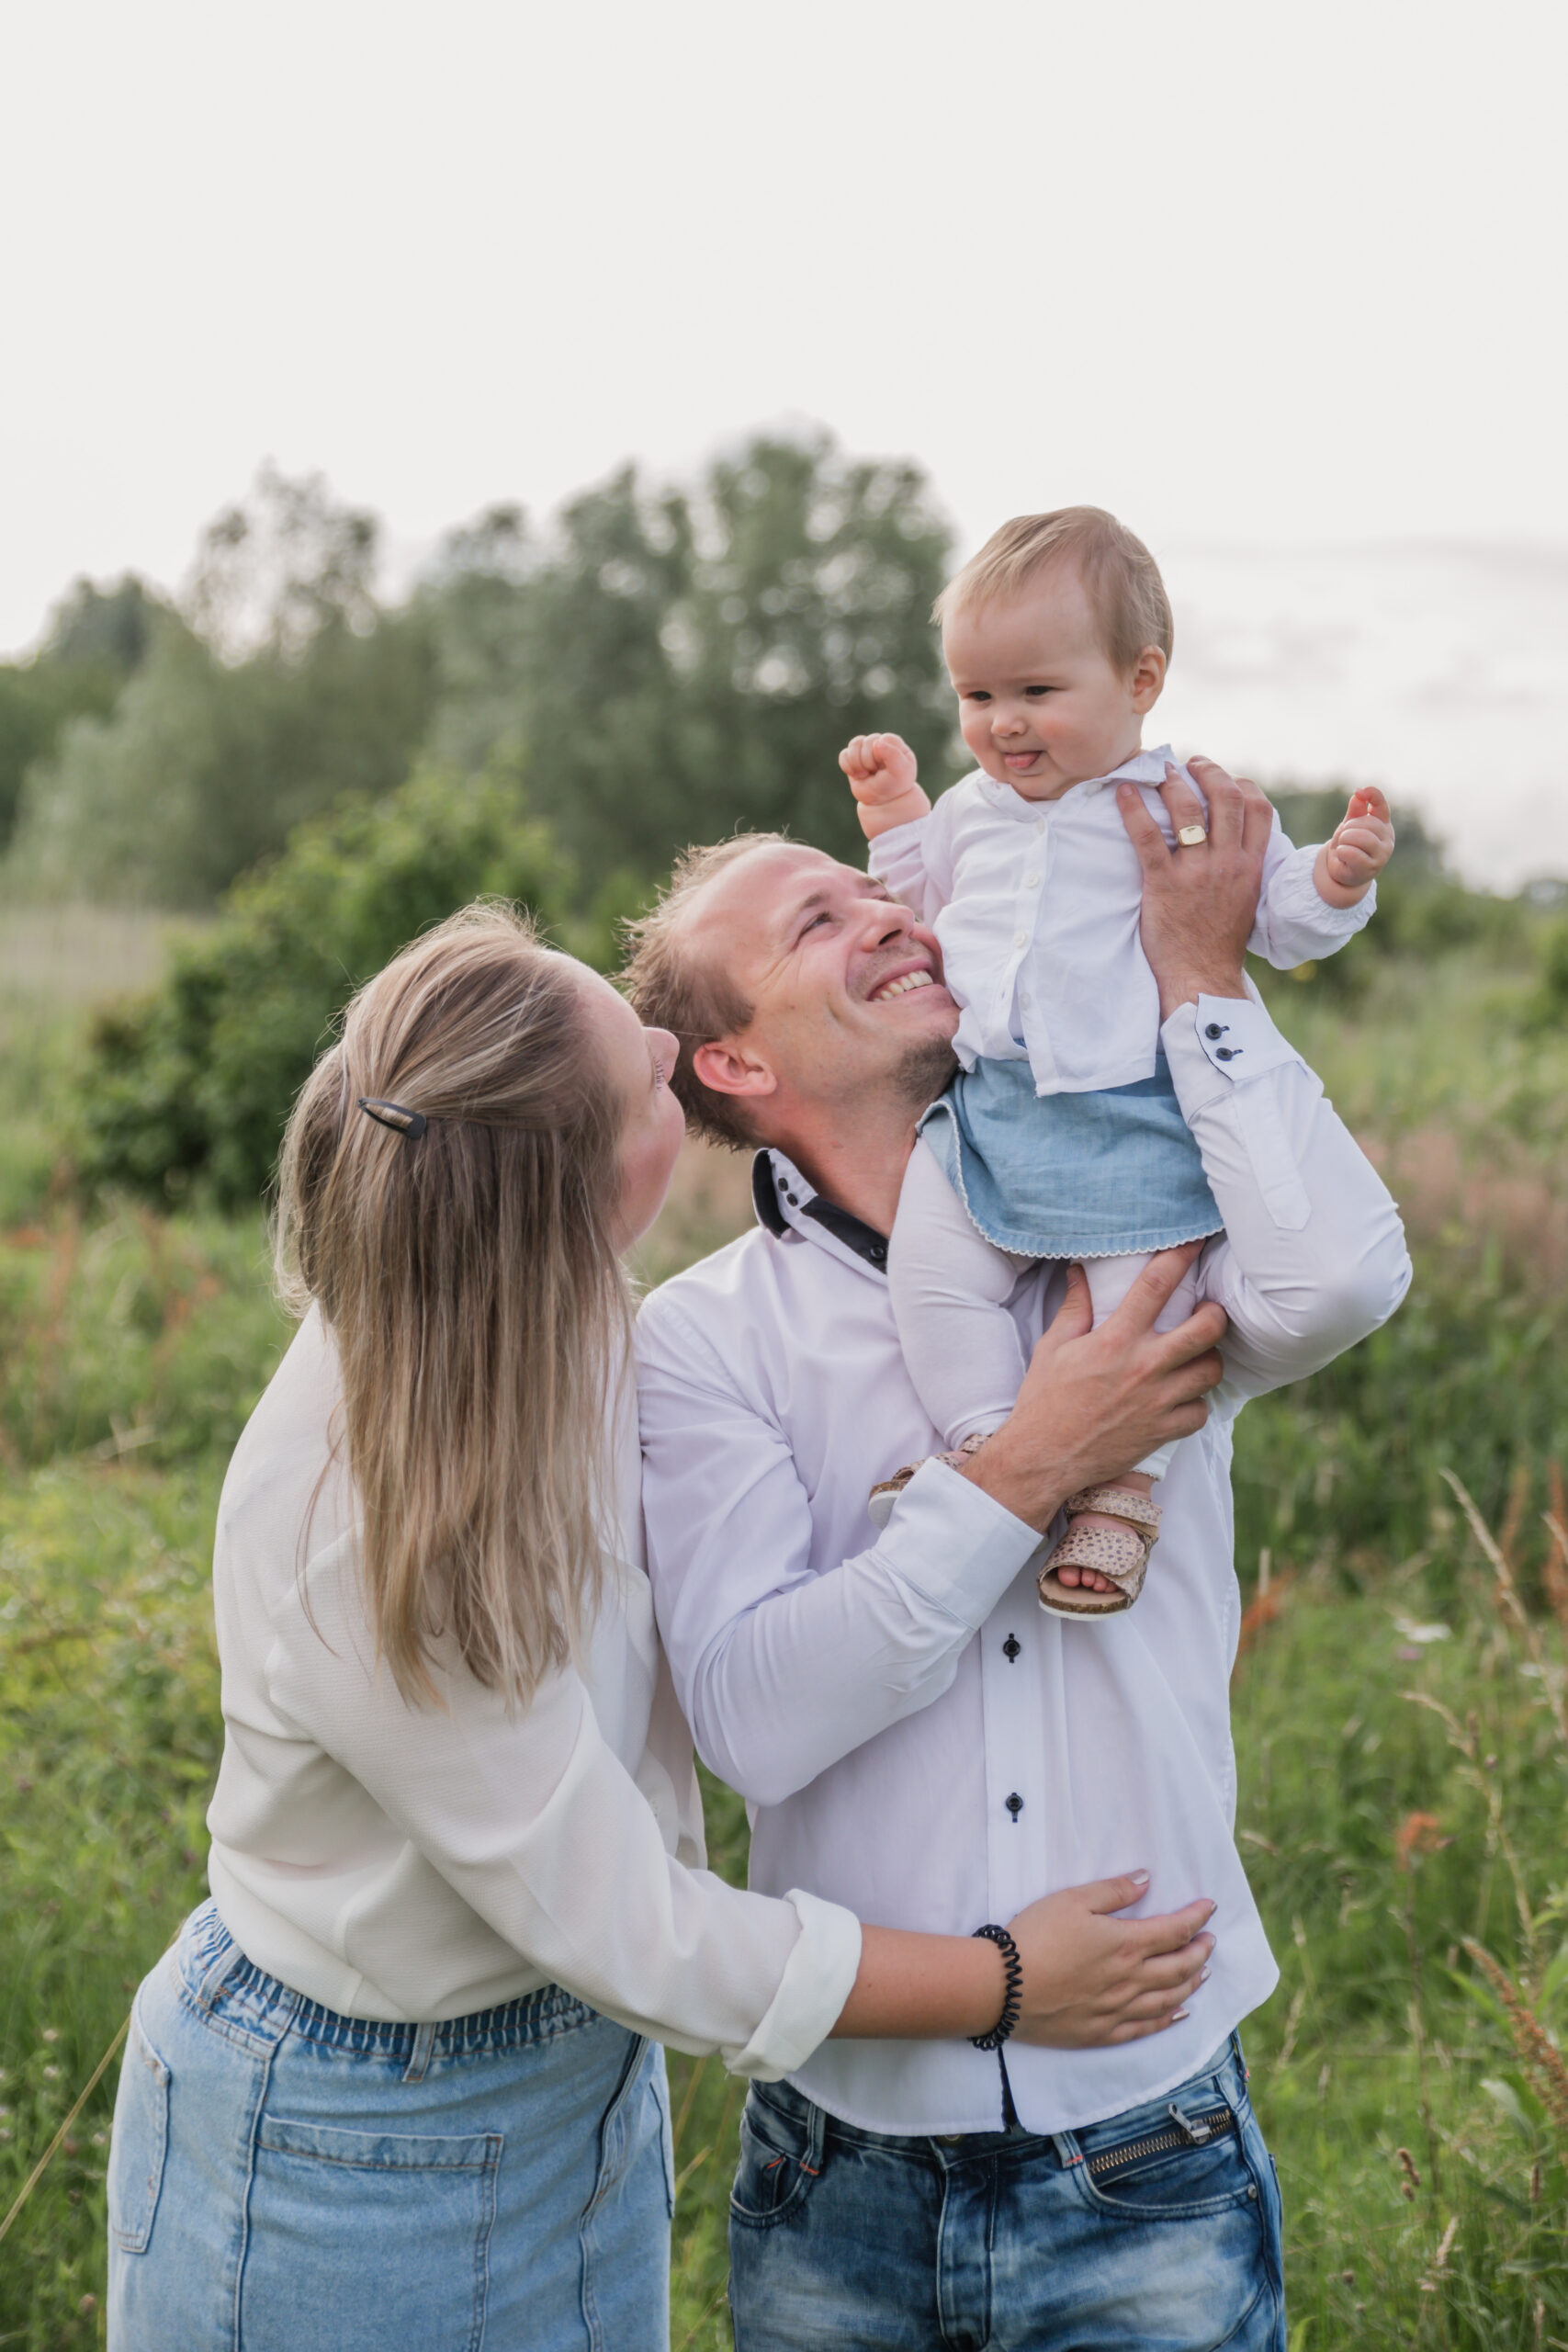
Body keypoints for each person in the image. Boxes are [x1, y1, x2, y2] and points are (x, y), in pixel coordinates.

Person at [107, 905, 1222, 2352]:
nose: (664, 1053)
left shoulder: (555, 1316)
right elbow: (632, 1924)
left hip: (578, 2088)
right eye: (644, 1081)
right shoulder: (359, 1515)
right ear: (579, 1191)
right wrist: (1003, 1984)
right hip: (349, 2136)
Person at [625, 763, 1411, 2351]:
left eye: (880, 890)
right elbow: (754, 1720)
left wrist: (1196, 981)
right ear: (737, 1059)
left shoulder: (1144, 1235)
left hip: (1149, 2147)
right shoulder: (701, 1341)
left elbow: (1337, 1285)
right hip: (834, 2175)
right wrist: (1031, 1459)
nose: (889, 909)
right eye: (819, 917)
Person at [840, 506, 1395, 1616]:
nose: (1002, 725)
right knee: (933, 1274)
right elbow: (927, 910)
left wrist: (1333, 880)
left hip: (1131, 1110)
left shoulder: (1184, 800)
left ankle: (1121, 1496)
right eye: (977, 697)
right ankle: (994, 1445)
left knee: (1135, 1306)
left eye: (1036, 693)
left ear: (1140, 678)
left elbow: (1274, 920)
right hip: (992, 1105)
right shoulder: (971, 810)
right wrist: (895, 811)